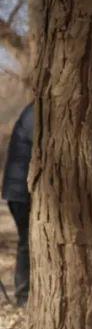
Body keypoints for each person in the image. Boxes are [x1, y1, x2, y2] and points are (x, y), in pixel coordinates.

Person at [2, 103, 33, 307]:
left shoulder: (32, 110)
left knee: (27, 241)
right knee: (28, 241)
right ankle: (23, 296)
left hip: (17, 188)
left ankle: (24, 294)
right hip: (22, 189)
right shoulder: (39, 112)